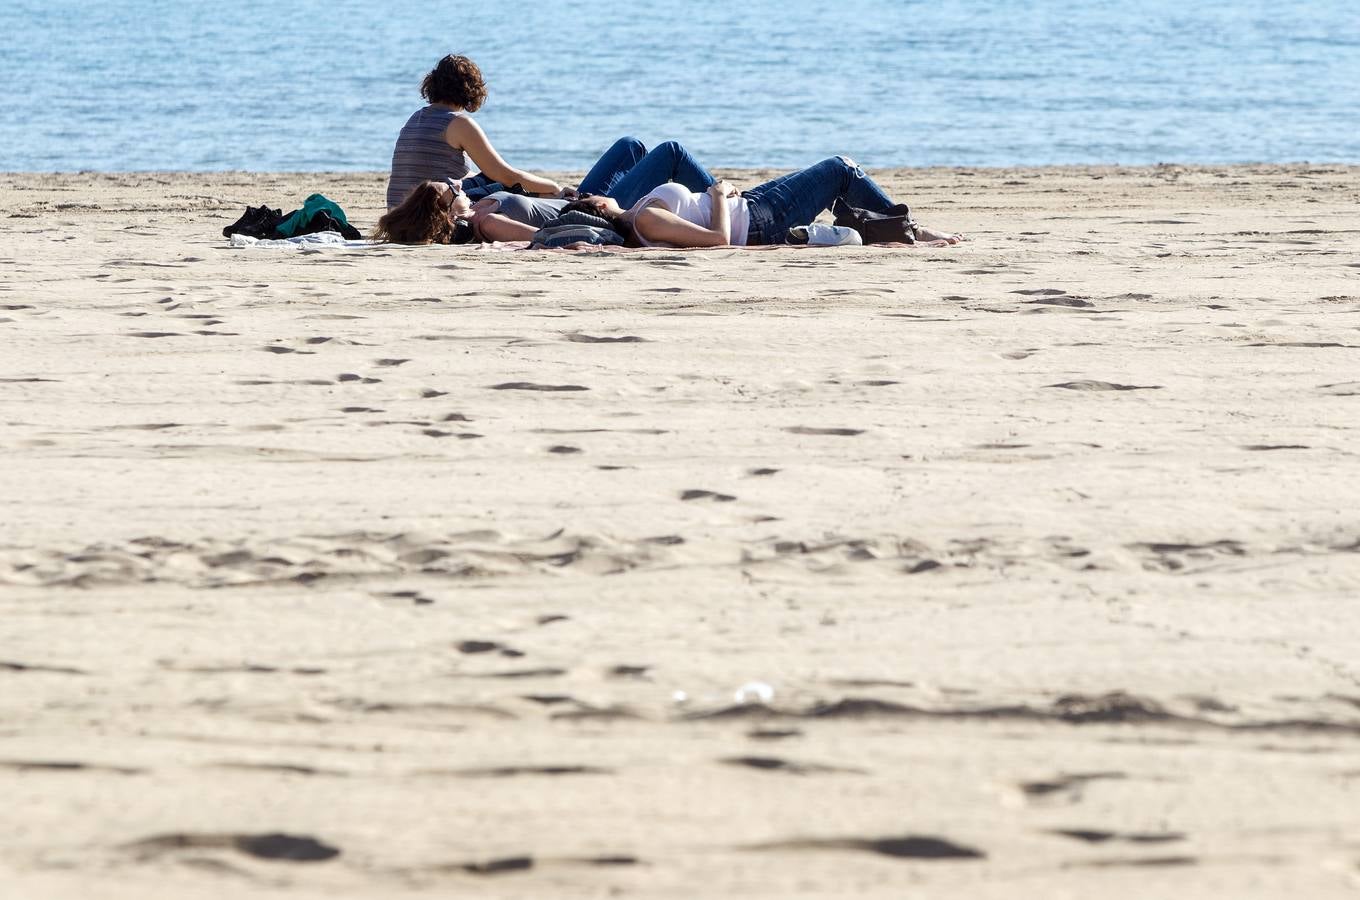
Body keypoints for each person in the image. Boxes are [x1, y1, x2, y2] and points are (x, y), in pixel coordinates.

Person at [567, 144, 961, 248]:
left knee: (834, 177)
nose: (597, 197)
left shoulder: (637, 210)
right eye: (594, 204)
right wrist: (719, 194)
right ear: (603, 214)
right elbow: (719, 241)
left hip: (751, 206)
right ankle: (908, 230)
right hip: (758, 222)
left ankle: (886, 226)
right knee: (840, 168)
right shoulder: (644, 218)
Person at [376, 140, 722, 245]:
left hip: (578, 198)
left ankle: (713, 199)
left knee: (631, 147)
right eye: (450, 188)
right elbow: (545, 238)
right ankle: (728, 200)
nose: (457, 183)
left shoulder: (477, 202)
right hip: (595, 212)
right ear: (448, 211)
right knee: (671, 153)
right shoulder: (486, 221)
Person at [386, 54, 574, 211]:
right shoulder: (459, 123)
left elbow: (456, 173)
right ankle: (558, 200)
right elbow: (506, 175)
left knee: (487, 178)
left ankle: (554, 198)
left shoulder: (417, 117)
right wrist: (553, 186)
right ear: (471, 89)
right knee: (510, 187)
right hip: (429, 215)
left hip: (398, 214)